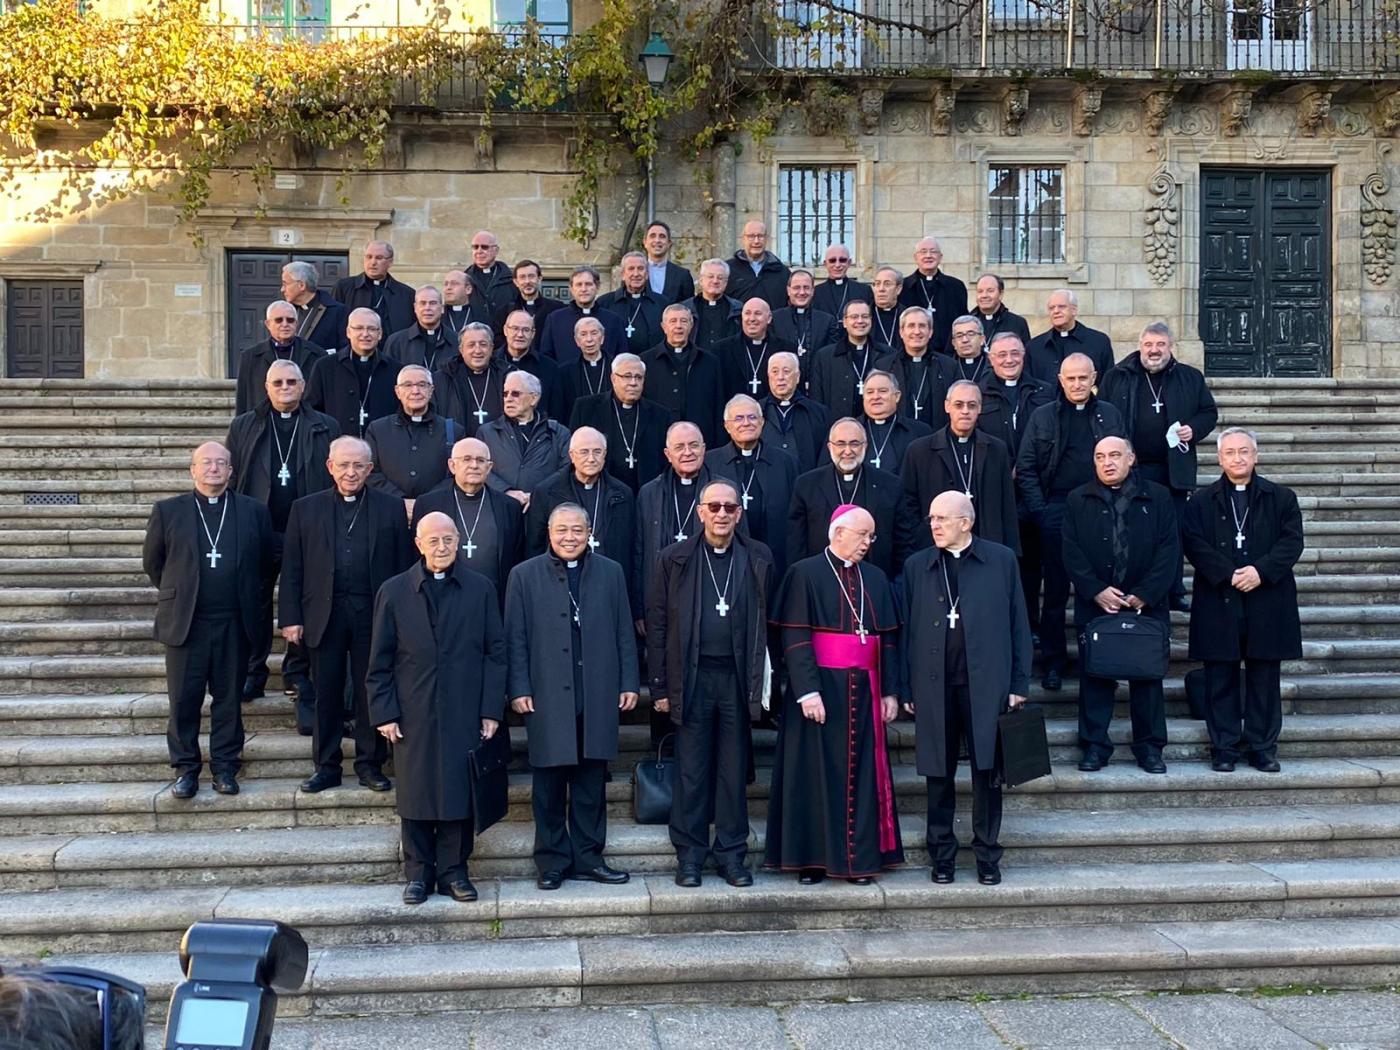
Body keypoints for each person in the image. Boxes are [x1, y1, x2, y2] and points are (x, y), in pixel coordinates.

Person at [368, 511, 506, 904]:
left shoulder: (480, 588)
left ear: (458, 541)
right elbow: (379, 660)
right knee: (415, 793)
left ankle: (454, 872)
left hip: (465, 707)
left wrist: (491, 709)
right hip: (413, 710)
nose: (441, 547)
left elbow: (495, 653)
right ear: (419, 544)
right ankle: (418, 874)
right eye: (434, 540)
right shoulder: (394, 592)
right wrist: (385, 711)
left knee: (459, 793)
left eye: (448, 539)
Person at [647, 480, 775, 888]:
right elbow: (659, 625)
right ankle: (690, 856)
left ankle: (732, 855)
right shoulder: (675, 558)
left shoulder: (758, 557)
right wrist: (661, 688)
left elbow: (765, 623)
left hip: (736, 678)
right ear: (700, 512)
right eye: (714, 507)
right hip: (693, 678)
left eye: (729, 507)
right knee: (692, 770)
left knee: (733, 771)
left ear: (739, 513)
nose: (722, 514)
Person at [765, 505, 903, 883]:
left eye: (872, 536)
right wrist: (807, 691)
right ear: (838, 532)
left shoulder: (874, 577)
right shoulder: (804, 573)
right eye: (863, 535)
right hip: (821, 689)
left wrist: (890, 691)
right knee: (813, 774)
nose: (868, 543)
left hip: (866, 689)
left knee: (862, 777)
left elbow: (886, 640)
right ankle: (812, 861)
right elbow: (795, 636)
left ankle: (858, 863)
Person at [505, 503, 639, 889]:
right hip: (546, 694)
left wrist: (629, 682)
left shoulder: (611, 572)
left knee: (590, 785)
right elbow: (514, 637)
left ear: (589, 531)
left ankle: (589, 858)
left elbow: (623, 632)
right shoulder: (524, 576)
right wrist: (519, 688)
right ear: (549, 532)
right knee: (547, 787)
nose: (569, 537)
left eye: (577, 530)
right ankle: (551, 862)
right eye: (561, 530)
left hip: (596, 692)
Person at [900, 491, 1031, 886]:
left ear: (966, 522)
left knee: (986, 773)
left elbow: (1018, 624)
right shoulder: (917, 565)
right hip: (934, 686)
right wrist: (906, 686)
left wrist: (1018, 683)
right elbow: (905, 631)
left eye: (942, 518)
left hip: (987, 686)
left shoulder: (1001, 560)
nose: (934, 525)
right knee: (937, 774)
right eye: (932, 518)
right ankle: (942, 856)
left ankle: (987, 854)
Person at [281, 436, 416, 794]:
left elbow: (404, 568)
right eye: (343, 465)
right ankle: (325, 766)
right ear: (330, 467)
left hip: (373, 612)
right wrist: (290, 617)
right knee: (325, 691)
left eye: (359, 465)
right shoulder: (305, 509)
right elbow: (292, 568)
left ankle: (370, 764)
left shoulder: (390, 509)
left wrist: (402, 618)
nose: (351, 472)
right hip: (322, 612)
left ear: (370, 470)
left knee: (369, 690)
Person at [143, 442, 273, 798]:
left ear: (232, 471)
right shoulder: (169, 511)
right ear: (193, 470)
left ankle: (226, 768)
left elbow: (265, 564)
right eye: (207, 463)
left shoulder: (253, 511)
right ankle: (185, 769)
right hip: (187, 623)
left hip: (234, 622)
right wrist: (180, 593)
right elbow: (154, 564)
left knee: (228, 699)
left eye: (221, 463)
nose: (214, 468)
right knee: (184, 700)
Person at [1183, 428, 1303, 774]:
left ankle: (1263, 747)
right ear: (1219, 458)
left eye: (1244, 451)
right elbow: (1193, 542)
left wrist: (1260, 572)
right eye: (1230, 452)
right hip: (1219, 596)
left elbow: (1291, 542)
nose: (1238, 458)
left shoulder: (1281, 497)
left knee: (1264, 677)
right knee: (1220, 675)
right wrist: (1228, 573)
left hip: (1267, 597)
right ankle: (1224, 746)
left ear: (1256, 456)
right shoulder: (1201, 501)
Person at [225, 359, 339, 705]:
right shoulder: (245, 426)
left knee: (306, 602)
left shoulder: (325, 425)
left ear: (304, 387)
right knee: (254, 603)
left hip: (307, 530)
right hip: (261, 529)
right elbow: (232, 475)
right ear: (266, 387)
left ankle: (297, 671)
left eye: (292, 382)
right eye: (278, 383)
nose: (285, 388)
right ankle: (253, 672)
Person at [1062, 437, 1179, 774]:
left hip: (1146, 604)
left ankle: (1150, 748)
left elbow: (1169, 548)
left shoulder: (1157, 497)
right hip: (1097, 604)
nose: (1107, 462)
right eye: (1100, 456)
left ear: (1132, 457)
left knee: (1148, 680)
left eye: (1115, 455)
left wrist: (1146, 592)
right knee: (1095, 678)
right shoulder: (1077, 499)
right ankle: (1095, 746)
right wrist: (1096, 590)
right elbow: (1070, 550)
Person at [1016, 352, 1125, 690]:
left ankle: (1099, 657)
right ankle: (1053, 661)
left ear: (1094, 378)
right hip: (1056, 510)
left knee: (1099, 587)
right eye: (1070, 378)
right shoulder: (1043, 416)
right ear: (1060, 380)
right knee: (1056, 592)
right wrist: (1041, 510)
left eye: (1083, 377)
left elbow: (1122, 460)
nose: (1077, 384)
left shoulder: (1110, 415)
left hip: (1102, 509)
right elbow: (1027, 466)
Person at [1100, 321, 1218, 611]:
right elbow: (1101, 412)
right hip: (1131, 469)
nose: (1154, 351)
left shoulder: (1190, 377)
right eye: (1148, 345)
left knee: (1171, 532)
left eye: (1160, 345)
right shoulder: (1117, 376)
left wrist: (1193, 429)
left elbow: (1208, 412)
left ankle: (1174, 590)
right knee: (1130, 530)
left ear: (1171, 347)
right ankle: (1128, 586)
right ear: (1140, 346)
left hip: (1172, 470)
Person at [978, 333, 1053, 645]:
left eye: (1015, 354)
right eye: (1001, 355)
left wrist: (1026, 468)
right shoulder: (978, 394)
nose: (1009, 360)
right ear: (990, 357)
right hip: (994, 494)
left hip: (1034, 492)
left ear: (1024, 355)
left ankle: (1031, 626)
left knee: (1031, 566)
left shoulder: (1045, 392)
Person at [526, 427, 639, 614]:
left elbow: (632, 547)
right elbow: (534, 546)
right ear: (571, 455)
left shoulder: (623, 494)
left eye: (597, 452)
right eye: (584, 452)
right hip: (560, 584)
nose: (591, 458)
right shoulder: (546, 492)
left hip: (608, 585)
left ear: (605, 454)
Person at [901, 380, 1020, 555]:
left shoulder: (997, 449)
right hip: (935, 545)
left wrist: (1010, 550)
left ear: (980, 408)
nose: (965, 411)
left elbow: (1007, 504)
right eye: (959, 405)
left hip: (986, 545)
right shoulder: (919, 450)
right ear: (947, 406)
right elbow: (908, 502)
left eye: (972, 405)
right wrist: (923, 537)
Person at [788, 418, 910, 578]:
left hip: (874, 580)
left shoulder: (890, 485)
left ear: (865, 446)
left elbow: (903, 542)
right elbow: (796, 544)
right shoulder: (807, 484)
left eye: (854, 444)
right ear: (829, 447)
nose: (847, 451)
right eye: (840, 444)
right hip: (821, 581)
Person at [411, 437, 525, 602]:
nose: (474, 465)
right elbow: (417, 556)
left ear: (489, 467)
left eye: (480, 460)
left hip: (494, 599)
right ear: (452, 466)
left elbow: (517, 557)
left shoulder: (509, 506)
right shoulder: (428, 504)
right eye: (466, 459)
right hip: (442, 599)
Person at [705, 394, 799, 576]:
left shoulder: (786, 462)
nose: (746, 423)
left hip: (776, 558)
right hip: (726, 557)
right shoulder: (710, 462)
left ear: (762, 422)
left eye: (752, 417)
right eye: (739, 418)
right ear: (727, 426)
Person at [569, 353, 673, 493]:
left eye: (638, 377)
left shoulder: (660, 415)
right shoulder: (586, 408)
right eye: (627, 376)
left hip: (645, 492)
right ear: (613, 378)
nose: (633, 382)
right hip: (601, 490)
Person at [365, 365, 456, 517]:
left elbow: (455, 474)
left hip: (437, 512)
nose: (415, 391)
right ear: (397, 391)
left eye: (422, 385)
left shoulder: (453, 430)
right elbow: (370, 472)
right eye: (407, 385)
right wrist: (401, 501)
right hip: (388, 511)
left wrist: (426, 502)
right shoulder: (377, 429)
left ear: (431, 390)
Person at [477, 370, 570, 513]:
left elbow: (566, 469)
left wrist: (538, 495)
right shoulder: (487, 432)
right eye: (505, 394)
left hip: (545, 508)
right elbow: (478, 467)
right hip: (499, 508)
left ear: (534, 398)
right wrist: (507, 491)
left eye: (515, 393)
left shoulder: (558, 432)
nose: (508, 399)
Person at [304, 307, 402, 438]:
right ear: (348, 332)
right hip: (338, 446)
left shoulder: (395, 370)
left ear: (380, 334)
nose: (365, 334)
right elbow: (312, 411)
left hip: (383, 447)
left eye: (372, 329)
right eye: (359, 328)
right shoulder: (325, 367)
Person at [642, 303, 725, 446]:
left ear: (691, 326)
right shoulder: (645, 362)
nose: (679, 326)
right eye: (673, 321)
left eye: (684, 321)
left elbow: (718, 405)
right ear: (663, 327)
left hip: (701, 439)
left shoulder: (710, 361)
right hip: (658, 438)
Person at [233, 300, 324, 415]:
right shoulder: (251, 357)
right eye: (279, 320)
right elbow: (243, 398)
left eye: (290, 320)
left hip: (306, 423)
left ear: (296, 323)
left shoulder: (316, 354)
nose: (285, 324)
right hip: (264, 422)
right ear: (268, 324)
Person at [876, 306, 956, 432]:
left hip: (936, 436)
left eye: (922, 326)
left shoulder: (949, 366)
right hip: (897, 435)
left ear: (930, 332)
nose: (917, 331)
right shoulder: (884, 366)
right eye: (911, 326)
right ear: (901, 332)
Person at [808, 300, 888, 420]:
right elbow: (817, 399)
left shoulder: (886, 354)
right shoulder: (824, 356)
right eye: (854, 317)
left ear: (871, 320)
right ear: (845, 322)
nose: (860, 321)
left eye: (865, 316)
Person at [539, 265, 628, 366]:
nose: (584, 289)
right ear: (571, 289)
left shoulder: (613, 320)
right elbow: (546, 357)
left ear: (597, 287)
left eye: (588, 284)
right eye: (579, 285)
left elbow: (622, 357)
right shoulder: (555, 319)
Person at [433, 322, 509, 438]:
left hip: (499, 449)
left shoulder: (506, 376)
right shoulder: (443, 378)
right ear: (461, 349)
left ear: (491, 348)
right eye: (471, 345)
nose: (477, 351)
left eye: (483, 344)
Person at [714, 297, 795, 401]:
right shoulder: (721, 350)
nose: (752, 318)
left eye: (758, 313)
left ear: (769, 318)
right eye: (747, 313)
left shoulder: (786, 349)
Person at [761, 351, 829, 473]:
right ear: (768, 376)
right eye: (775, 371)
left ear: (797, 377)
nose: (780, 377)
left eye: (786, 371)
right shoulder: (757, 411)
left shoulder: (818, 413)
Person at [898, 236, 968, 353]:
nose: (928, 256)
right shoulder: (903, 287)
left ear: (940, 257)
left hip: (949, 355)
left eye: (933, 251)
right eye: (923, 252)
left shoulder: (956, 286)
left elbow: (962, 321)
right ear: (916, 258)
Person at [1026, 289, 1114, 381]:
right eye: (1051, 308)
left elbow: (1109, 383)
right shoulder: (1034, 347)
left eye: (1062, 307)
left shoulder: (1099, 342)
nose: (1056, 311)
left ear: (1074, 310)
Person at [333, 240, 415, 337]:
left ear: (390, 262)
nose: (373, 262)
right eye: (369, 257)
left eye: (379, 258)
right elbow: (333, 323)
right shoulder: (344, 287)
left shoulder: (407, 294)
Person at [498, 309, 566, 421]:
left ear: (533, 334)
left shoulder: (550, 367)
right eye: (515, 329)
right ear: (505, 330)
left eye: (526, 330)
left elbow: (557, 411)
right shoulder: (492, 363)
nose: (520, 335)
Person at [860, 369, 931, 474]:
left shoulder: (919, 432)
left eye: (882, 391)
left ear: (897, 396)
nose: (875, 397)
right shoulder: (848, 431)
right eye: (870, 392)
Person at [598, 250, 665, 355]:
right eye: (631, 269)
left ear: (647, 274)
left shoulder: (662, 303)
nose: (636, 274)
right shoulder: (604, 303)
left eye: (641, 269)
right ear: (623, 275)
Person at [490, 258, 564, 348]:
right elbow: (498, 342)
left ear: (539, 279)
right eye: (522, 277)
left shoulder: (556, 309)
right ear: (516, 282)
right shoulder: (504, 312)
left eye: (531, 276)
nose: (527, 281)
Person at [772, 268, 837, 364]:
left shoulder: (827, 320)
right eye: (796, 288)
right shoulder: (775, 318)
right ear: (788, 291)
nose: (802, 292)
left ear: (813, 291)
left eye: (806, 287)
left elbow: (831, 357)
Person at [383, 285, 453, 372]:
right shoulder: (396, 342)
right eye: (422, 303)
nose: (427, 308)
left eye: (433, 303)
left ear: (442, 308)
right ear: (415, 308)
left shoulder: (456, 341)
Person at [281, 260, 347, 352]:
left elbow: (344, 349)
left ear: (301, 285)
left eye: (285, 284)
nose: (282, 289)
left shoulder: (338, 312)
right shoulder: (286, 311)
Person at [725, 219, 790, 309]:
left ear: (766, 239)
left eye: (760, 236)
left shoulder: (782, 272)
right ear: (743, 239)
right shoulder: (728, 270)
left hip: (772, 322)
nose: (756, 241)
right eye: (751, 236)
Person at [687, 259, 742, 351]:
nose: (715, 281)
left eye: (720, 278)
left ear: (726, 283)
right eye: (710, 276)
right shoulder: (687, 308)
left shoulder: (738, 309)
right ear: (701, 280)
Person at [811, 242, 874, 319]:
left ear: (849, 263)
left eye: (842, 260)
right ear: (825, 264)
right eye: (832, 260)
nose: (837, 265)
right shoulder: (815, 292)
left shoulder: (864, 291)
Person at [464, 229, 515, 315]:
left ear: (496, 251)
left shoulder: (511, 279)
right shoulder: (464, 279)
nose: (479, 251)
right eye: (475, 247)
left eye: (484, 247)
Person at [643, 219, 695, 304]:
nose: (657, 240)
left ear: (669, 243)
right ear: (645, 242)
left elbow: (689, 308)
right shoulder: (635, 273)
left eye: (662, 236)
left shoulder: (683, 275)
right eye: (652, 236)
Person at [974, 272, 1031, 348]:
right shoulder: (968, 322)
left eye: (990, 291)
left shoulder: (1018, 323)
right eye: (980, 291)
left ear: (1000, 294)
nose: (984, 295)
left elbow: (1025, 354)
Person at [441, 269, 491, 345]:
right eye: (446, 284)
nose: (448, 288)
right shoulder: (438, 316)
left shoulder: (482, 317)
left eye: (454, 284)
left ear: (468, 289)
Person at [869, 266, 905, 355]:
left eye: (887, 284)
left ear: (898, 289)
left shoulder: (908, 315)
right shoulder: (864, 316)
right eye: (877, 284)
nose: (881, 289)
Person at [948, 314, 992, 384]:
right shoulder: (946, 366)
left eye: (970, 334)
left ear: (982, 339)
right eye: (959, 336)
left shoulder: (993, 364)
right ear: (954, 343)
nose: (965, 340)